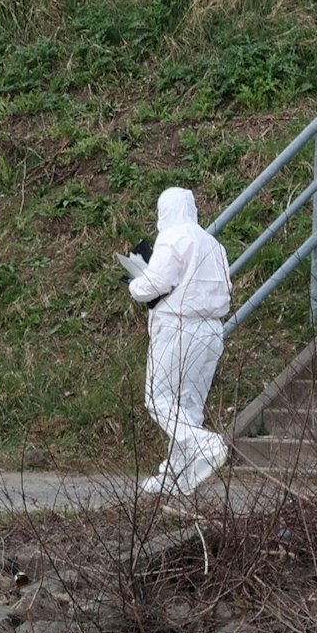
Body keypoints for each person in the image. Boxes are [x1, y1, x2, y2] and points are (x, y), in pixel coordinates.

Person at [126, 187, 233, 496]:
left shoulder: (173, 237)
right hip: (212, 330)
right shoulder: (212, 243)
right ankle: (176, 474)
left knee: (158, 398)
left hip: (179, 327)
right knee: (187, 406)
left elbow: (155, 283)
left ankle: (207, 444)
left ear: (164, 210)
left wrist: (135, 284)